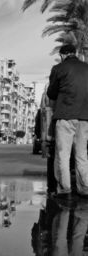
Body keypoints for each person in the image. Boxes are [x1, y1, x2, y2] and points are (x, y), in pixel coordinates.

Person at [47, 44, 88, 199]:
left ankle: (65, 190)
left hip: (66, 116)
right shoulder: (86, 68)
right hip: (85, 117)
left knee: (63, 154)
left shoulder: (59, 69)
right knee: (82, 154)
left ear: (63, 55)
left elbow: (51, 93)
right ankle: (84, 188)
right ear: (75, 53)